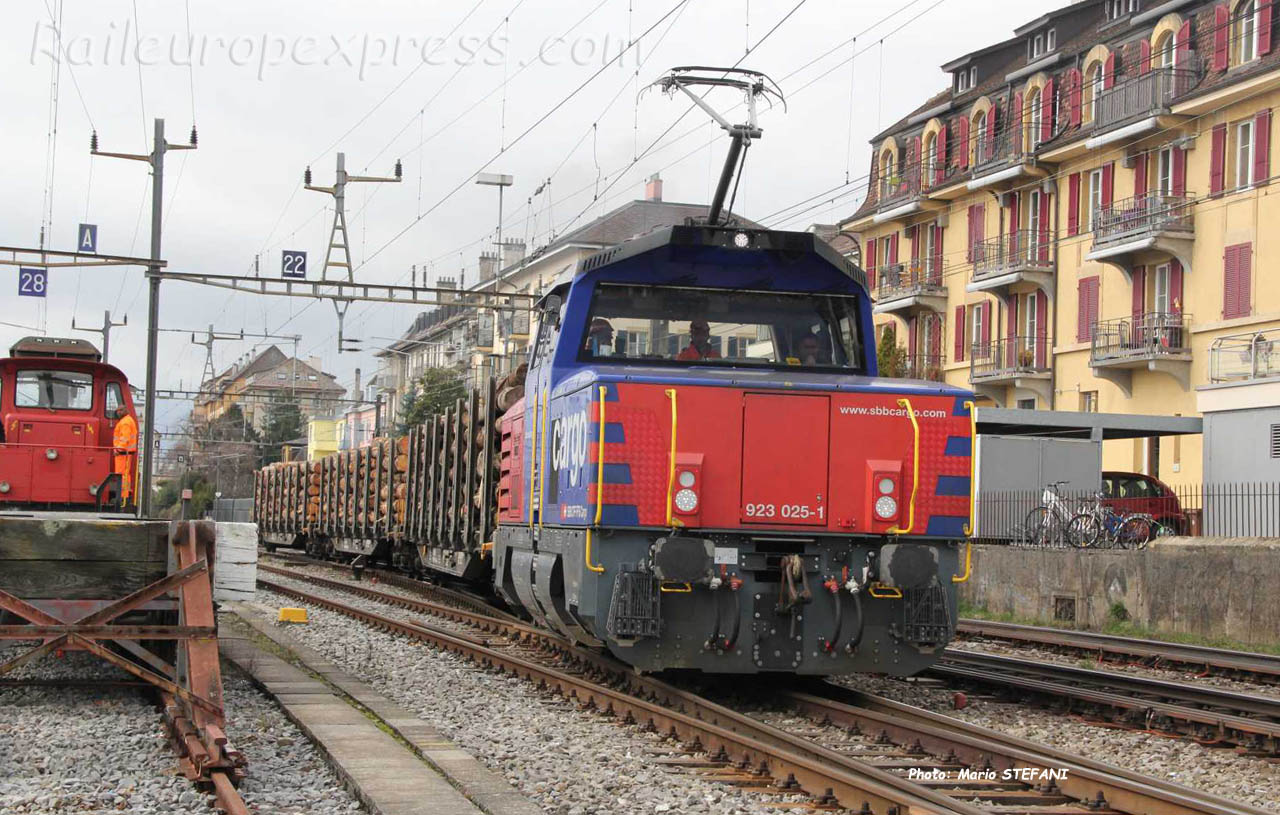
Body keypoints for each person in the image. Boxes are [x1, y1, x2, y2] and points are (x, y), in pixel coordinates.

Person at [112, 406, 138, 505]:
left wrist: (118, 449)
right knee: (124, 475)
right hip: (124, 453)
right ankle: (124, 496)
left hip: (123, 454)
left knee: (122, 475)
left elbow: (124, 438)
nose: (117, 413)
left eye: (118, 411)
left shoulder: (125, 422)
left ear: (123, 411)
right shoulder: (126, 421)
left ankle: (123, 497)